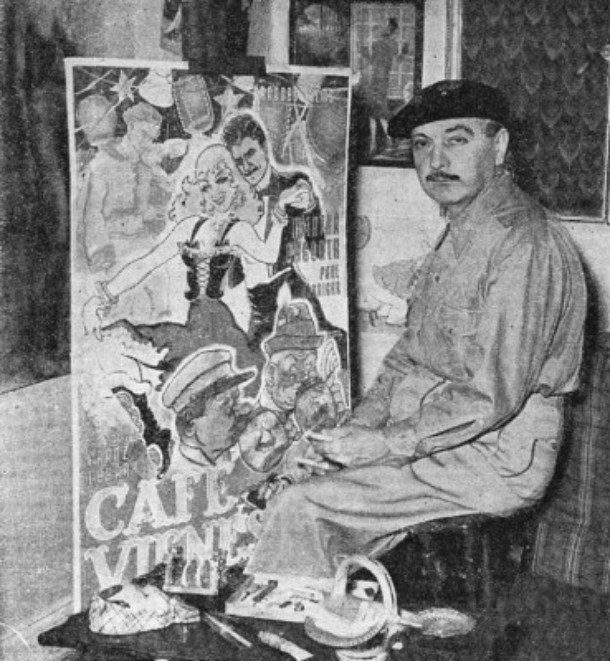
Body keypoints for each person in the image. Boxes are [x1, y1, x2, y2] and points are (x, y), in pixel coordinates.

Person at [245, 79, 587, 584]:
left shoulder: (524, 244)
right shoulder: (466, 228)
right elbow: (409, 356)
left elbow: (490, 396)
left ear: (499, 147)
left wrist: (383, 445)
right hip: (443, 440)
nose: (436, 161)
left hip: (493, 459)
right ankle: (331, 613)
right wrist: (356, 430)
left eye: (457, 140)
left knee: (303, 507)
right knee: (295, 471)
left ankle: (290, 616)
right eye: (423, 145)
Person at [82, 142, 286, 380]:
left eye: (222, 180)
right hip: (194, 320)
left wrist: (280, 215)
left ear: (236, 182)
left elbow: (269, 255)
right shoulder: (190, 228)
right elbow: (147, 263)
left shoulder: (239, 230)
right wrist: (103, 296)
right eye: (206, 186)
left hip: (219, 324)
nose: (215, 192)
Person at [222, 112, 346, 358]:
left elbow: (318, 248)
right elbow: (230, 274)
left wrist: (310, 208)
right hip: (256, 301)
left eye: (250, 154)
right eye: (239, 161)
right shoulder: (233, 200)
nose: (246, 167)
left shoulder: (293, 184)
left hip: (293, 289)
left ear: (265, 147)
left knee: (330, 346)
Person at [162, 347, 256, 467]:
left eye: (236, 401)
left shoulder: (230, 461)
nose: (242, 411)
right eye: (227, 407)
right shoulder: (180, 471)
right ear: (190, 426)